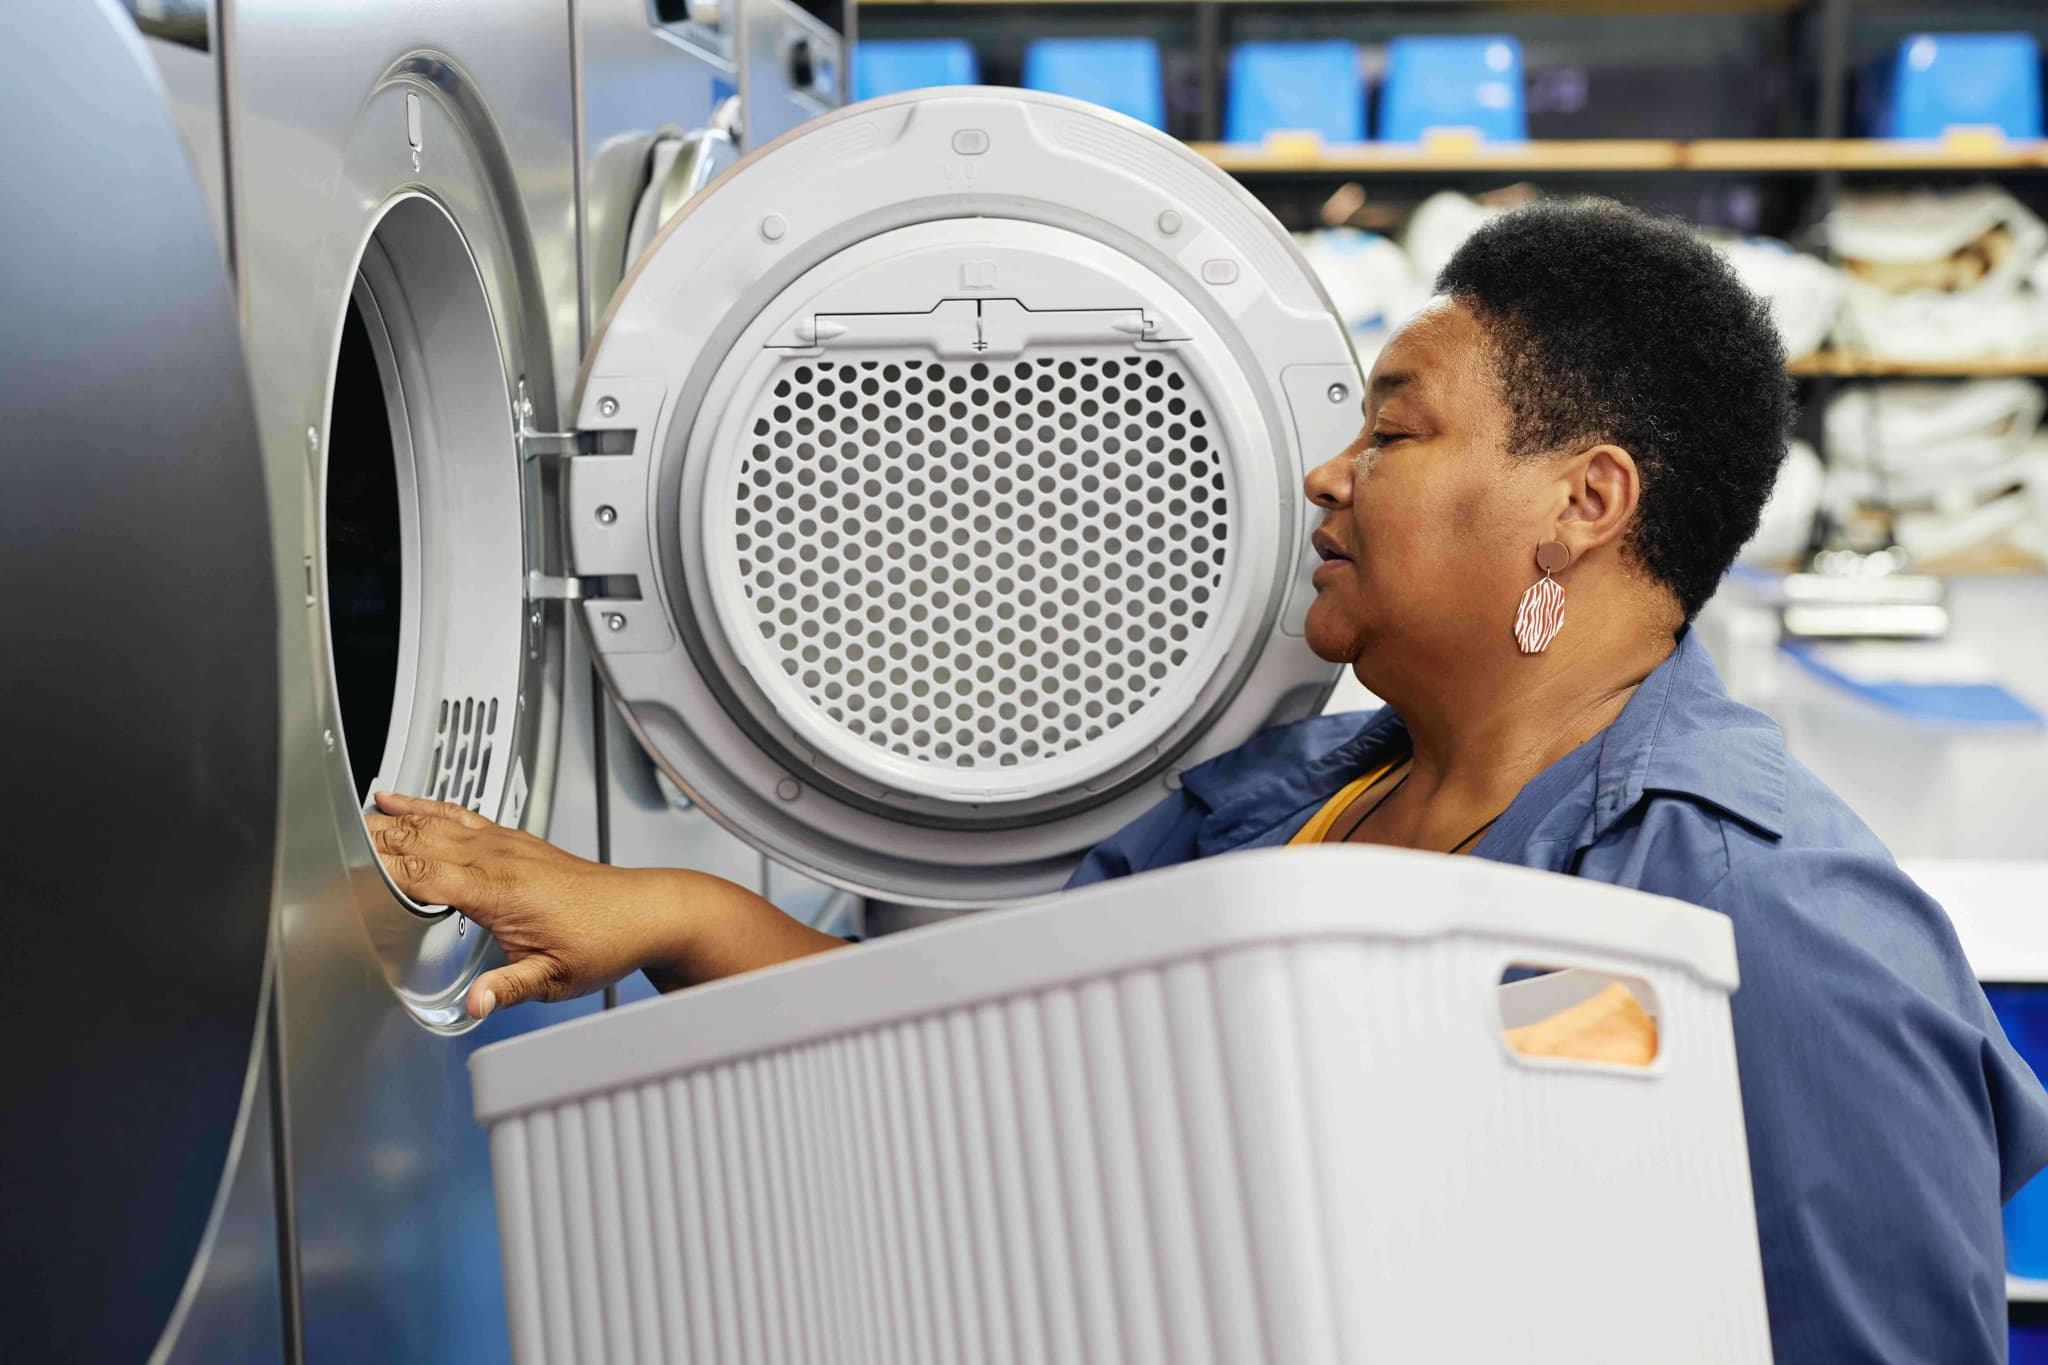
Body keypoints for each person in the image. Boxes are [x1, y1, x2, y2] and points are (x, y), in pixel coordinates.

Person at [367, 200, 2048, 1361]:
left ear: (1581, 504)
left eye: (1396, 431)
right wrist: (673, 909)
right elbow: (980, 1062)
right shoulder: (1286, 799)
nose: (1330, 472)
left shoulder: (1770, 917)